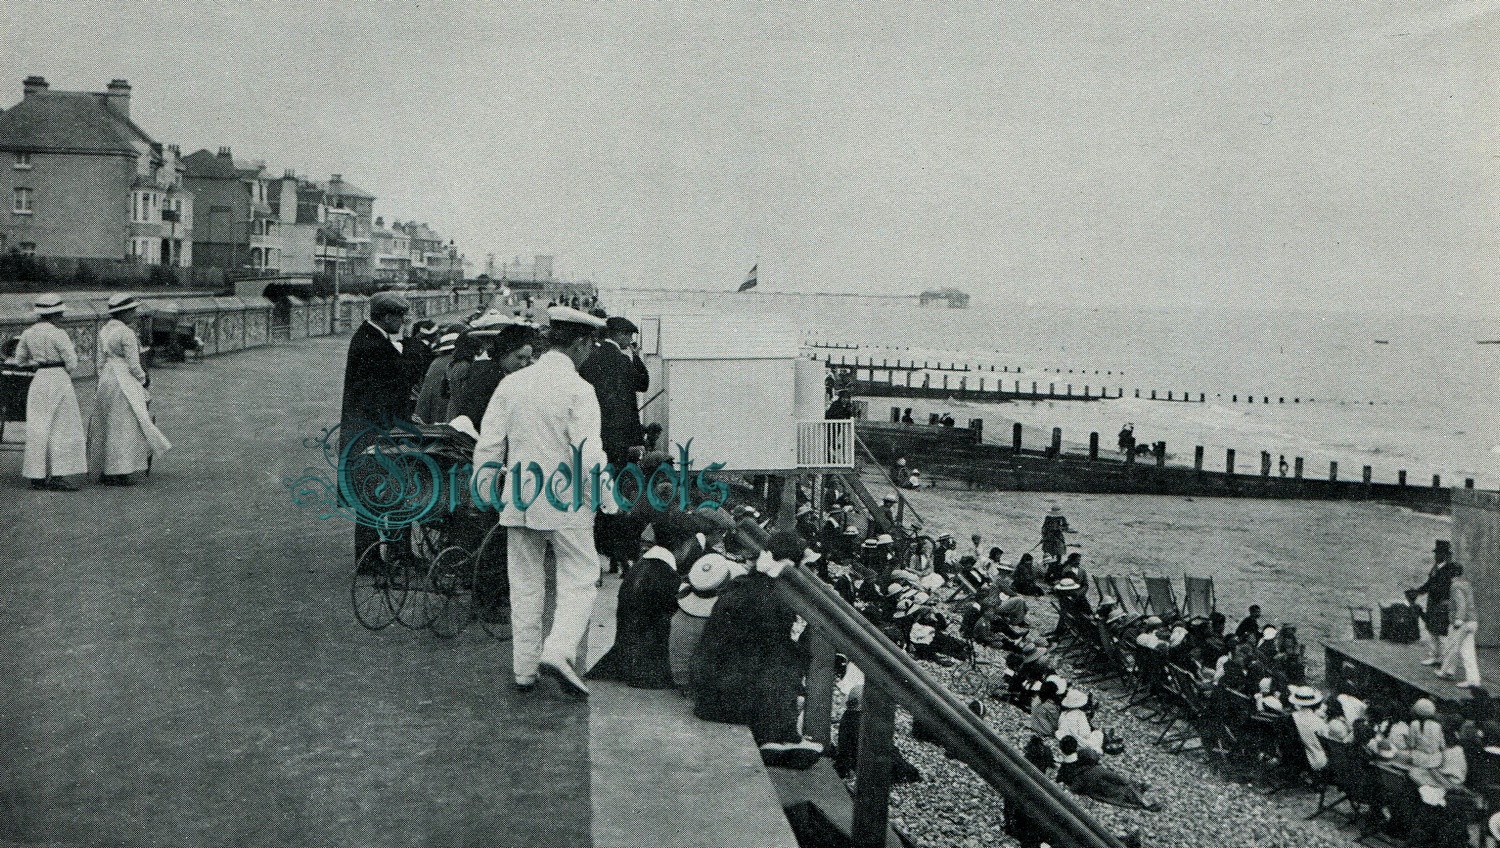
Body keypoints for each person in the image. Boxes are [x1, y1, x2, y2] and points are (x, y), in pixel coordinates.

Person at [472, 306, 609, 698]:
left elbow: (489, 445)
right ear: (580, 344)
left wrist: (486, 493)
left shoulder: (512, 384)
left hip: (518, 499)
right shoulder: (579, 390)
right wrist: (606, 497)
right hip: (567, 503)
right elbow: (588, 454)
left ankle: (524, 670)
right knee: (580, 576)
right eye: (589, 346)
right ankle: (559, 649)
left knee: (525, 585)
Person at [340, 291, 418, 564]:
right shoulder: (374, 345)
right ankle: (378, 559)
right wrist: (409, 340)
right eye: (400, 317)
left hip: (367, 430)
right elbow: (398, 382)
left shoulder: (370, 338)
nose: (403, 321)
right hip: (374, 432)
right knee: (383, 493)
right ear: (386, 317)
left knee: (374, 495)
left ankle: (378, 557)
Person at [587, 509, 694, 689]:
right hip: (648, 668)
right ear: (682, 545)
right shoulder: (668, 576)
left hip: (624, 656)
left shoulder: (639, 567)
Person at [87, 294, 171, 485]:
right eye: (131, 311)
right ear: (123, 313)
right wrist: (142, 380)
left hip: (108, 378)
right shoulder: (127, 333)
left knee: (106, 423)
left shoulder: (104, 331)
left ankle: (104, 468)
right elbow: (134, 364)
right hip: (124, 378)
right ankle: (120, 470)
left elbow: (100, 362)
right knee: (125, 424)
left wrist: (102, 380)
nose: (134, 314)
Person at [15, 293, 87, 490]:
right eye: (60, 314)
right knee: (63, 426)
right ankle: (58, 475)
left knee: (38, 427)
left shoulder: (28, 333)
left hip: (39, 380)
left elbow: (20, 360)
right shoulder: (59, 333)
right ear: (55, 314)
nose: (61, 317)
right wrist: (62, 369)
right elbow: (72, 362)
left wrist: (36, 363)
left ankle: (36, 476)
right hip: (58, 378)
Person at [578, 315, 649, 470]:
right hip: (620, 432)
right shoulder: (622, 361)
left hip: (595, 426)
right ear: (619, 334)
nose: (630, 341)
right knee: (619, 474)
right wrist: (634, 357)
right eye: (629, 335)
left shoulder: (590, 357)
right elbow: (643, 384)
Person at [1408, 541, 1459, 666]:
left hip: (1442, 603)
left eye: (1439, 553)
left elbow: (1444, 587)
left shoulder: (1450, 569)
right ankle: (1436, 656)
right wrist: (1418, 591)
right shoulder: (1436, 568)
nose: (1436, 556)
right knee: (1432, 630)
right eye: (1436, 553)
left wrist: (1423, 591)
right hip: (1433, 603)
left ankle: (1443, 658)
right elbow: (1429, 583)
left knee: (1441, 632)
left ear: (1445, 555)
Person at [1436, 563, 1481, 688]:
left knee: (1452, 647)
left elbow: (1461, 604)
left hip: (1463, 623)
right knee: (1467, 651)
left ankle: (1447, 672)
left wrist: (1458, 619)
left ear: (1451, 573)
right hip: (1472, 621)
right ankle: (1471, 679)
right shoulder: (1466, 584)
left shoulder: (1455, 585)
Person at [411, 328, 458, 424]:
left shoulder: (436, 363)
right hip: (453, 416)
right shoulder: (460, 362)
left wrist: (420, 416)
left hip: (435, 416)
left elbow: (425, 395)